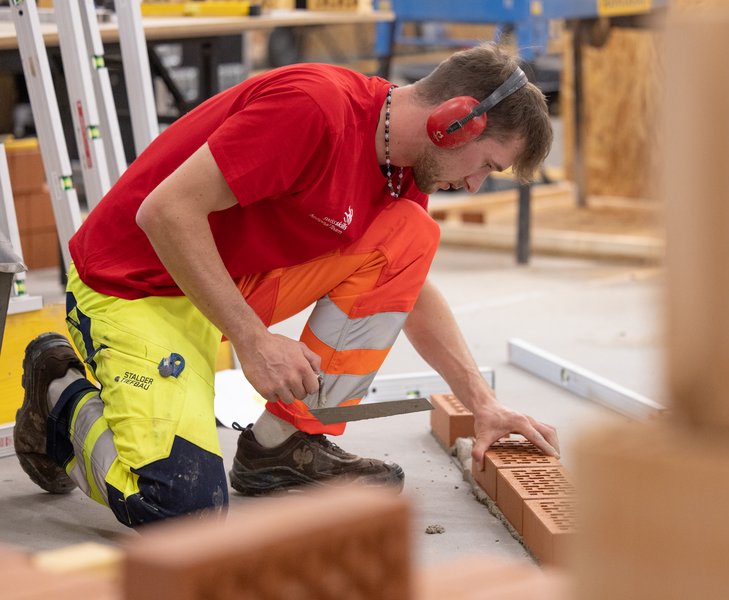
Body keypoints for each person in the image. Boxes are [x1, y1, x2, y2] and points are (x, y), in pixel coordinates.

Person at [13, 42, 560, 528]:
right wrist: (253, 339)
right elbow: (165, 212)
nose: (474, 184)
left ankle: (285, 444)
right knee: (179, 508)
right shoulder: (314, 108)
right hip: (138, 285)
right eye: (487, 165)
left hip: (219, 283)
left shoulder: (402, 169)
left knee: (410, 235)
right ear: (455, 122)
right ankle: (58, 399)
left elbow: (408, 288)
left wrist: (482, 403)